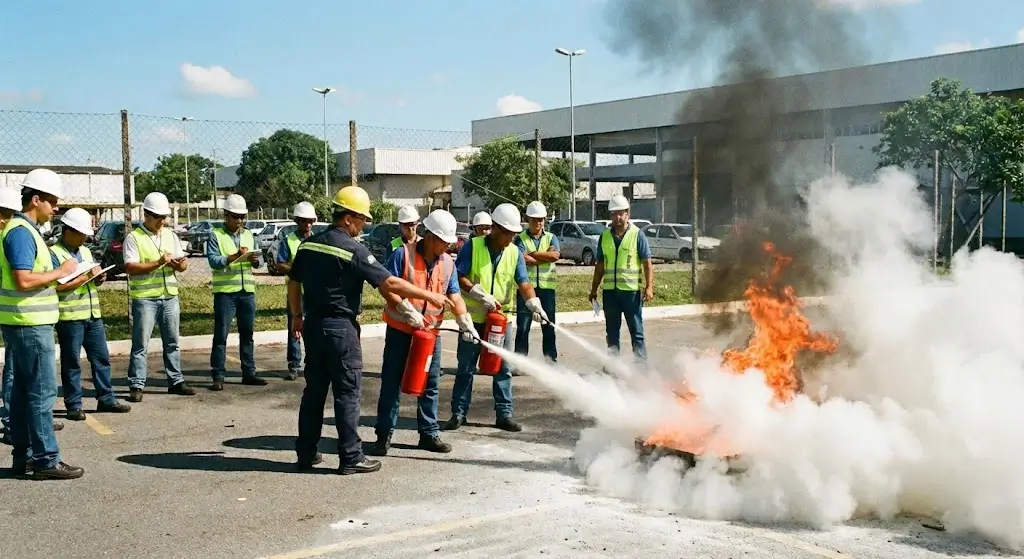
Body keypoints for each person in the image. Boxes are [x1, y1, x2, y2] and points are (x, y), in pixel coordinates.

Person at [289, 186, 449, 475]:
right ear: (349, 218)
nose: (363, 224)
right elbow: (389, 284)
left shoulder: (309, 244)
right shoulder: (353, 249)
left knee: (313, 392)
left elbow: (292, 282)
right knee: (347, 393)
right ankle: (350, 456)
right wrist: (429, 297)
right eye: (362, 219)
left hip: (313, 326)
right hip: (341, 330)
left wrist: (297, 316)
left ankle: (306, 453)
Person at [368, 209, 476, 457]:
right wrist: (405, 308)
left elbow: (454, 294)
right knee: (392, 384)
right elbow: (386, 287)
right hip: (401, 331)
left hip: (430, 335)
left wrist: (463, 319)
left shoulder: (447, 262)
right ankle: (383, 436)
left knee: (430, 385)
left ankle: (428, 434)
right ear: (428, 235)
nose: (447, 247)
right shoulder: (402, 254)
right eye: (443, 241)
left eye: (449, 243)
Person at [0, 168, 82, 479]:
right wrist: (61, 271)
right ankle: (46, 459)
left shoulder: (20, 230)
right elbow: (23, 280)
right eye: (52, 202)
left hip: (23, 321)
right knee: (42, 392)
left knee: (23, 392)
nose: (55, 208)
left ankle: (24, 456)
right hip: (30, 323)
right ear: (36, 199)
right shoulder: (21, 232)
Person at [444, 203, 548, 433]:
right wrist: (477, 293)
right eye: (508, 233)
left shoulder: (514, 253)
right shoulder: (473, 246)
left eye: (513, 234)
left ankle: (504, 414)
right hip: (473, 319)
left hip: (500, 321)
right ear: (496, 229)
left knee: (503, 368)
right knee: (466, 367)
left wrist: (534, 303)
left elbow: (524, 283)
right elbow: (457, 276)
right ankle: (458, 414)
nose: (511, 238)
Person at [51, 208, 132, 421]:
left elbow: (88, 278)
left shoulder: (85, 252)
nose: (84, 238)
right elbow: (56, 286)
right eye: (80, 233)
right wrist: (84, 278)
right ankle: (74, 405)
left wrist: (97, 279)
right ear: (68, 230)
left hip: (92, 314)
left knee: (101, 358)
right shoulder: (55, 254)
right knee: (72, 363)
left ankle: (106, 398)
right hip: (70, 317)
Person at [124, 192, 195, 402]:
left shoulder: (170, 235)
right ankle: (137, 384)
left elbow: (182, 264)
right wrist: (158, 262)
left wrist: (179, 264)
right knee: (140, 344)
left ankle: (175, 380)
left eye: (164, 217)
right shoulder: (134, 237)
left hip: (169, 296)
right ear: (145, 214)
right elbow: (130, 267)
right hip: (145, 298)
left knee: (172, 341)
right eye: (157, 217)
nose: (162, 221)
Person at [206, 193, 264, 391]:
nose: (239, 221)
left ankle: (249, 372)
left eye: (242, 217)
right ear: (226, 216)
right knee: (221, 334)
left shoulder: (248, 234)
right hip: (225, 292)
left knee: (247, 333)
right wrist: (232, 257)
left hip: (246, 290)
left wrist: (256, 261)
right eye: (235, 216)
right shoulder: (216, 234)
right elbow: (213, 260)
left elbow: (259, 259)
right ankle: (218, 375)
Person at [588, 194, 654, 362]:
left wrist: (649, 287)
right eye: (614, 213)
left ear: (627, 214)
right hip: (610, 293)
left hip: (631, 293)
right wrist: (594, 289)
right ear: (610, 216)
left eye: (621, 213)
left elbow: (647, 263)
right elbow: (600, 265)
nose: (617, 217)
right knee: (611, 332)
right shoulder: (605, 236)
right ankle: (613, 364)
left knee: (636, 330)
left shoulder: (637, 235)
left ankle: (640, 365)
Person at [274, 201, 317, 381]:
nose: (307, 225)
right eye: (303, 221)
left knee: (313, 328)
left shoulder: (317, 240)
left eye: (310, 221)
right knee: (294, 328)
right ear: (297, 221)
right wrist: (295, 269)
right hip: (295, 291)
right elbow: (279, 264)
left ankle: (312, 364)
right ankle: (294, 365)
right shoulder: (288, 240)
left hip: (314, 291)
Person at [514, 201, 560, 365]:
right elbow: (521, 258)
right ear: (527, 219)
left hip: (547, 289)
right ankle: (520, 361)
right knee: (523, 327)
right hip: (526, 290)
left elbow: (555, 256)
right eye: (534, 220)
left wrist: (533, 254)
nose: (538, 223)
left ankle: (550, 360)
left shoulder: (551, 237)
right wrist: (543, 257)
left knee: (548, 326)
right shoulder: (520, 239)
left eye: (541, 219)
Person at [0, 187, 21, 442]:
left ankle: (18, 418)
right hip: (11, 313)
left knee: (16, 367)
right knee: (14, 369)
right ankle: (10, 420)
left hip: (11, 312)